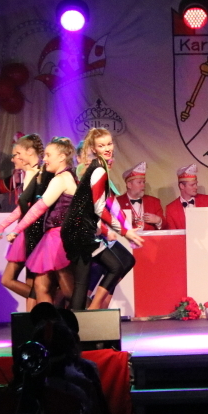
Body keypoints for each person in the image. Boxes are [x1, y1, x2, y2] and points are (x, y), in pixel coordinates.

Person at [62, 128, 145, 310]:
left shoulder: (100, 167)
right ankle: (92, 312)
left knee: (83, 282)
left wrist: (126, 227)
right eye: (101, 146)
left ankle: (84, 318)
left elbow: (110, 201)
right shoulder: (98, 169)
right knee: (112, 268)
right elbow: (99, 207)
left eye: (109, 144)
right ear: (93, 148)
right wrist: (124, 231)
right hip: (80, 230)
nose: (107, 148)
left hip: (80, 229)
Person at [5, 138, 78, 307]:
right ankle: (48, 322)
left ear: (61, 157)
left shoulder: (61, 178)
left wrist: (16, 230)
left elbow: (38, 208)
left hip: (60, 237)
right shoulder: (59, 177)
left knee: (68, 290)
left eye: (48, 155)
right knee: (41, 286)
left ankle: (92, 315)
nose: (44, 159)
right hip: (53, 236)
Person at [0, 134, 48, 307]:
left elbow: (34, 207)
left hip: (35, 231)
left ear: (30, 152)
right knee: (30, 281)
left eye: (17, 154)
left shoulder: (40, 174)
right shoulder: (29, 174)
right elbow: (23, 206)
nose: (14, 159)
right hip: (26, 229)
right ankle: (35, 315)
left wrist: (14, 229)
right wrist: (4, 225)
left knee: (13, 279)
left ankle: (48, 302)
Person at [162, 164, 208, 230]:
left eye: (196, 184)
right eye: (192, 185)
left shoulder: (207, 200)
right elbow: (173, 233)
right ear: (182, 186)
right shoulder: (171, 208)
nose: (196, 187)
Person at [116, 162, 164, 231]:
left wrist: (158, 221)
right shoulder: (117, 202)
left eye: (144, 182)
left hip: (150, 238)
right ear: (129, 185)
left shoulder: (154, 202)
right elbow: (111, 226)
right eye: (139, 182)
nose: (143, 185)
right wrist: (123, 221)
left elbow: (166, 229)